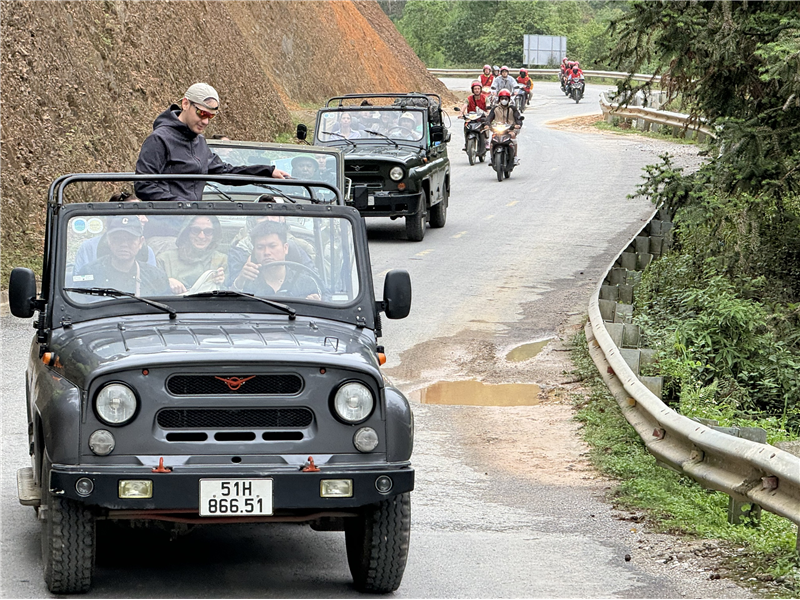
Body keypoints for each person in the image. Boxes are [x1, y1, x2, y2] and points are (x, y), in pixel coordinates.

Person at [134, 83, 289, 202]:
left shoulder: (199, 141)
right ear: (186, 104)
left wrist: (267, 171)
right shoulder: (159, 139)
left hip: (193, 222)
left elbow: (225, 172)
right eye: (202, 113)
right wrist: (181, 207)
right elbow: (144, 185)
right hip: (165, 227)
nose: (206, 121)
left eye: (211, 116)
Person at [74, 216, 171, 296]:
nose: (124, 244)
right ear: (109, 241)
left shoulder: (156, 277)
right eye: (117, 239)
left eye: (130, 239)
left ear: (140, 242)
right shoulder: (89, 272)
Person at [231, 220, 319, 300]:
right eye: (260, 247)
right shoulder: (246, 282)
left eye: (272, 246)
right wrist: (240, 281)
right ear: (254, 252)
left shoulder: (305, 283)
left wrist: (315, 304)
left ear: (285, 248)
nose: (266, 252)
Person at [74, 192, 157, 271]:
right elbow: (79, 283)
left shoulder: (147, 251)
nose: (145, 219)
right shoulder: (89, 248)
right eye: (137, 214)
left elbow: (154, 281)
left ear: (141, 242)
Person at [156, 215, 227, 294]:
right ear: (186, 232)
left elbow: (231, 295)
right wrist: (166, 282)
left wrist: (221, 283)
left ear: (214, 235)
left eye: (208, 231)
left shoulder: (221, 260)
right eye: (196, 230)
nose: (201, 236)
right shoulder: (165, 259)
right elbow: (152, 291)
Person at [486, 88, 522, 163]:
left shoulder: (513, 108)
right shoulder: (495, 109)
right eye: (502, 98)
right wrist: (487, 124)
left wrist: (518, 124)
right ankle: (492, 157)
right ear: (499, 99)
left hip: (510, 129)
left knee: (512, 136)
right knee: (493, 140)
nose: (504, 100)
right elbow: (489, 117)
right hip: (498, 129)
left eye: (506, 98)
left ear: (508, 99)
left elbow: (518, 118)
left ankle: (515, 156)